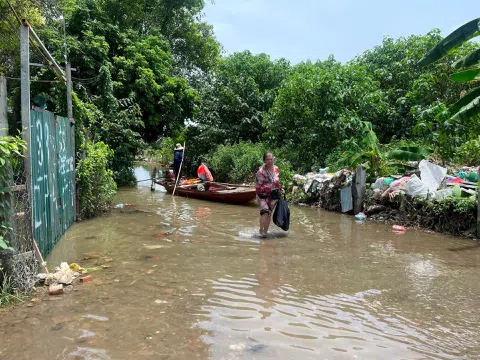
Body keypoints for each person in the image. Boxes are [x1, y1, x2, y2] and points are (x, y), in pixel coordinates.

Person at [255, 152, 284, 238]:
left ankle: (265, 233)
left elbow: (277, 181)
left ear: (273, 159)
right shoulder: (261, 172)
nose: (269, 161)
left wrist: (280, 189)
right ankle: (261, 229)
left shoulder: (276, 169)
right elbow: (258, 186)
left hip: (274, 195)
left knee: (269, 213)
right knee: (265, 212)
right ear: (264, 160)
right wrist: (264, 194)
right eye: (267, 159)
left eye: (271, 159)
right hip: (262, 196)